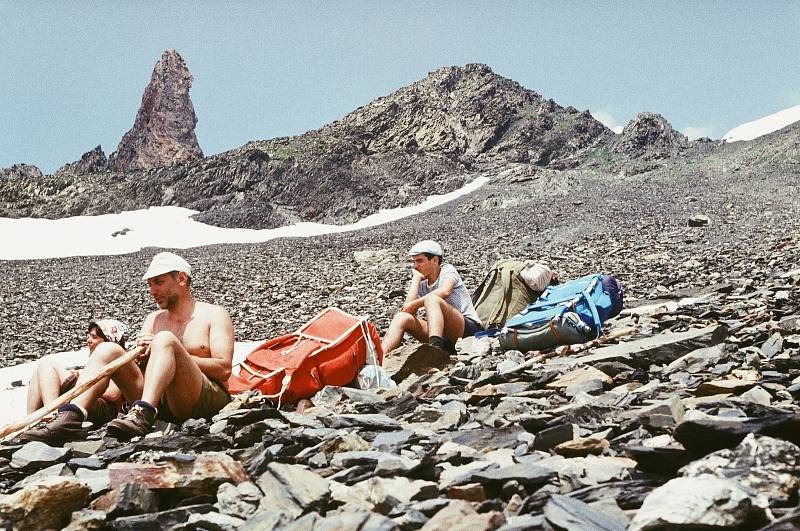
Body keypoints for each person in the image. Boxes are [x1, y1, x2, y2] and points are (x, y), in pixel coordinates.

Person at [17, 252, 234, 445]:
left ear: (181, 279)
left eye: (158, 282)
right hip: (161, 403)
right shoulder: (153, 319)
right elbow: (141, 368)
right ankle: (70, 416)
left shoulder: (214, 314)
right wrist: (140, 355)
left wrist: (173, 351)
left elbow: (224, 369)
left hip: (200, 398)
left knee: (165, 339)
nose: (152, 290)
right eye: (149, 284)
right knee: (108, 349)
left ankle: (143, 413)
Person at [381, 240, 483, 354]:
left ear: (434, 260)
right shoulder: (423, 283)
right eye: (414, 262)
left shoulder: (447, 270)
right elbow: (407, 311)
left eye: (419, 261)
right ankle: (379, 360)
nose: (415, 266)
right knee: (401, 317)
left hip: (468, 331)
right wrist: (416, 280)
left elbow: (445, 291)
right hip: (443, 336)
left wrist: (414, 304)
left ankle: (435, 351)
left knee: (433, 299)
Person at [26, 319, 129, 425]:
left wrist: (82, 380)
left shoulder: (118, 361)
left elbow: (113, 394)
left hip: (105, 409)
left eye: (94, 337)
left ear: (108, 342)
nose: (88, 340)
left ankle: (51, 415)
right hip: (91, 403)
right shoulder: (97, 362)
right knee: (39, 371)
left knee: (47, 366)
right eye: (89, 336)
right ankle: (30, 421)